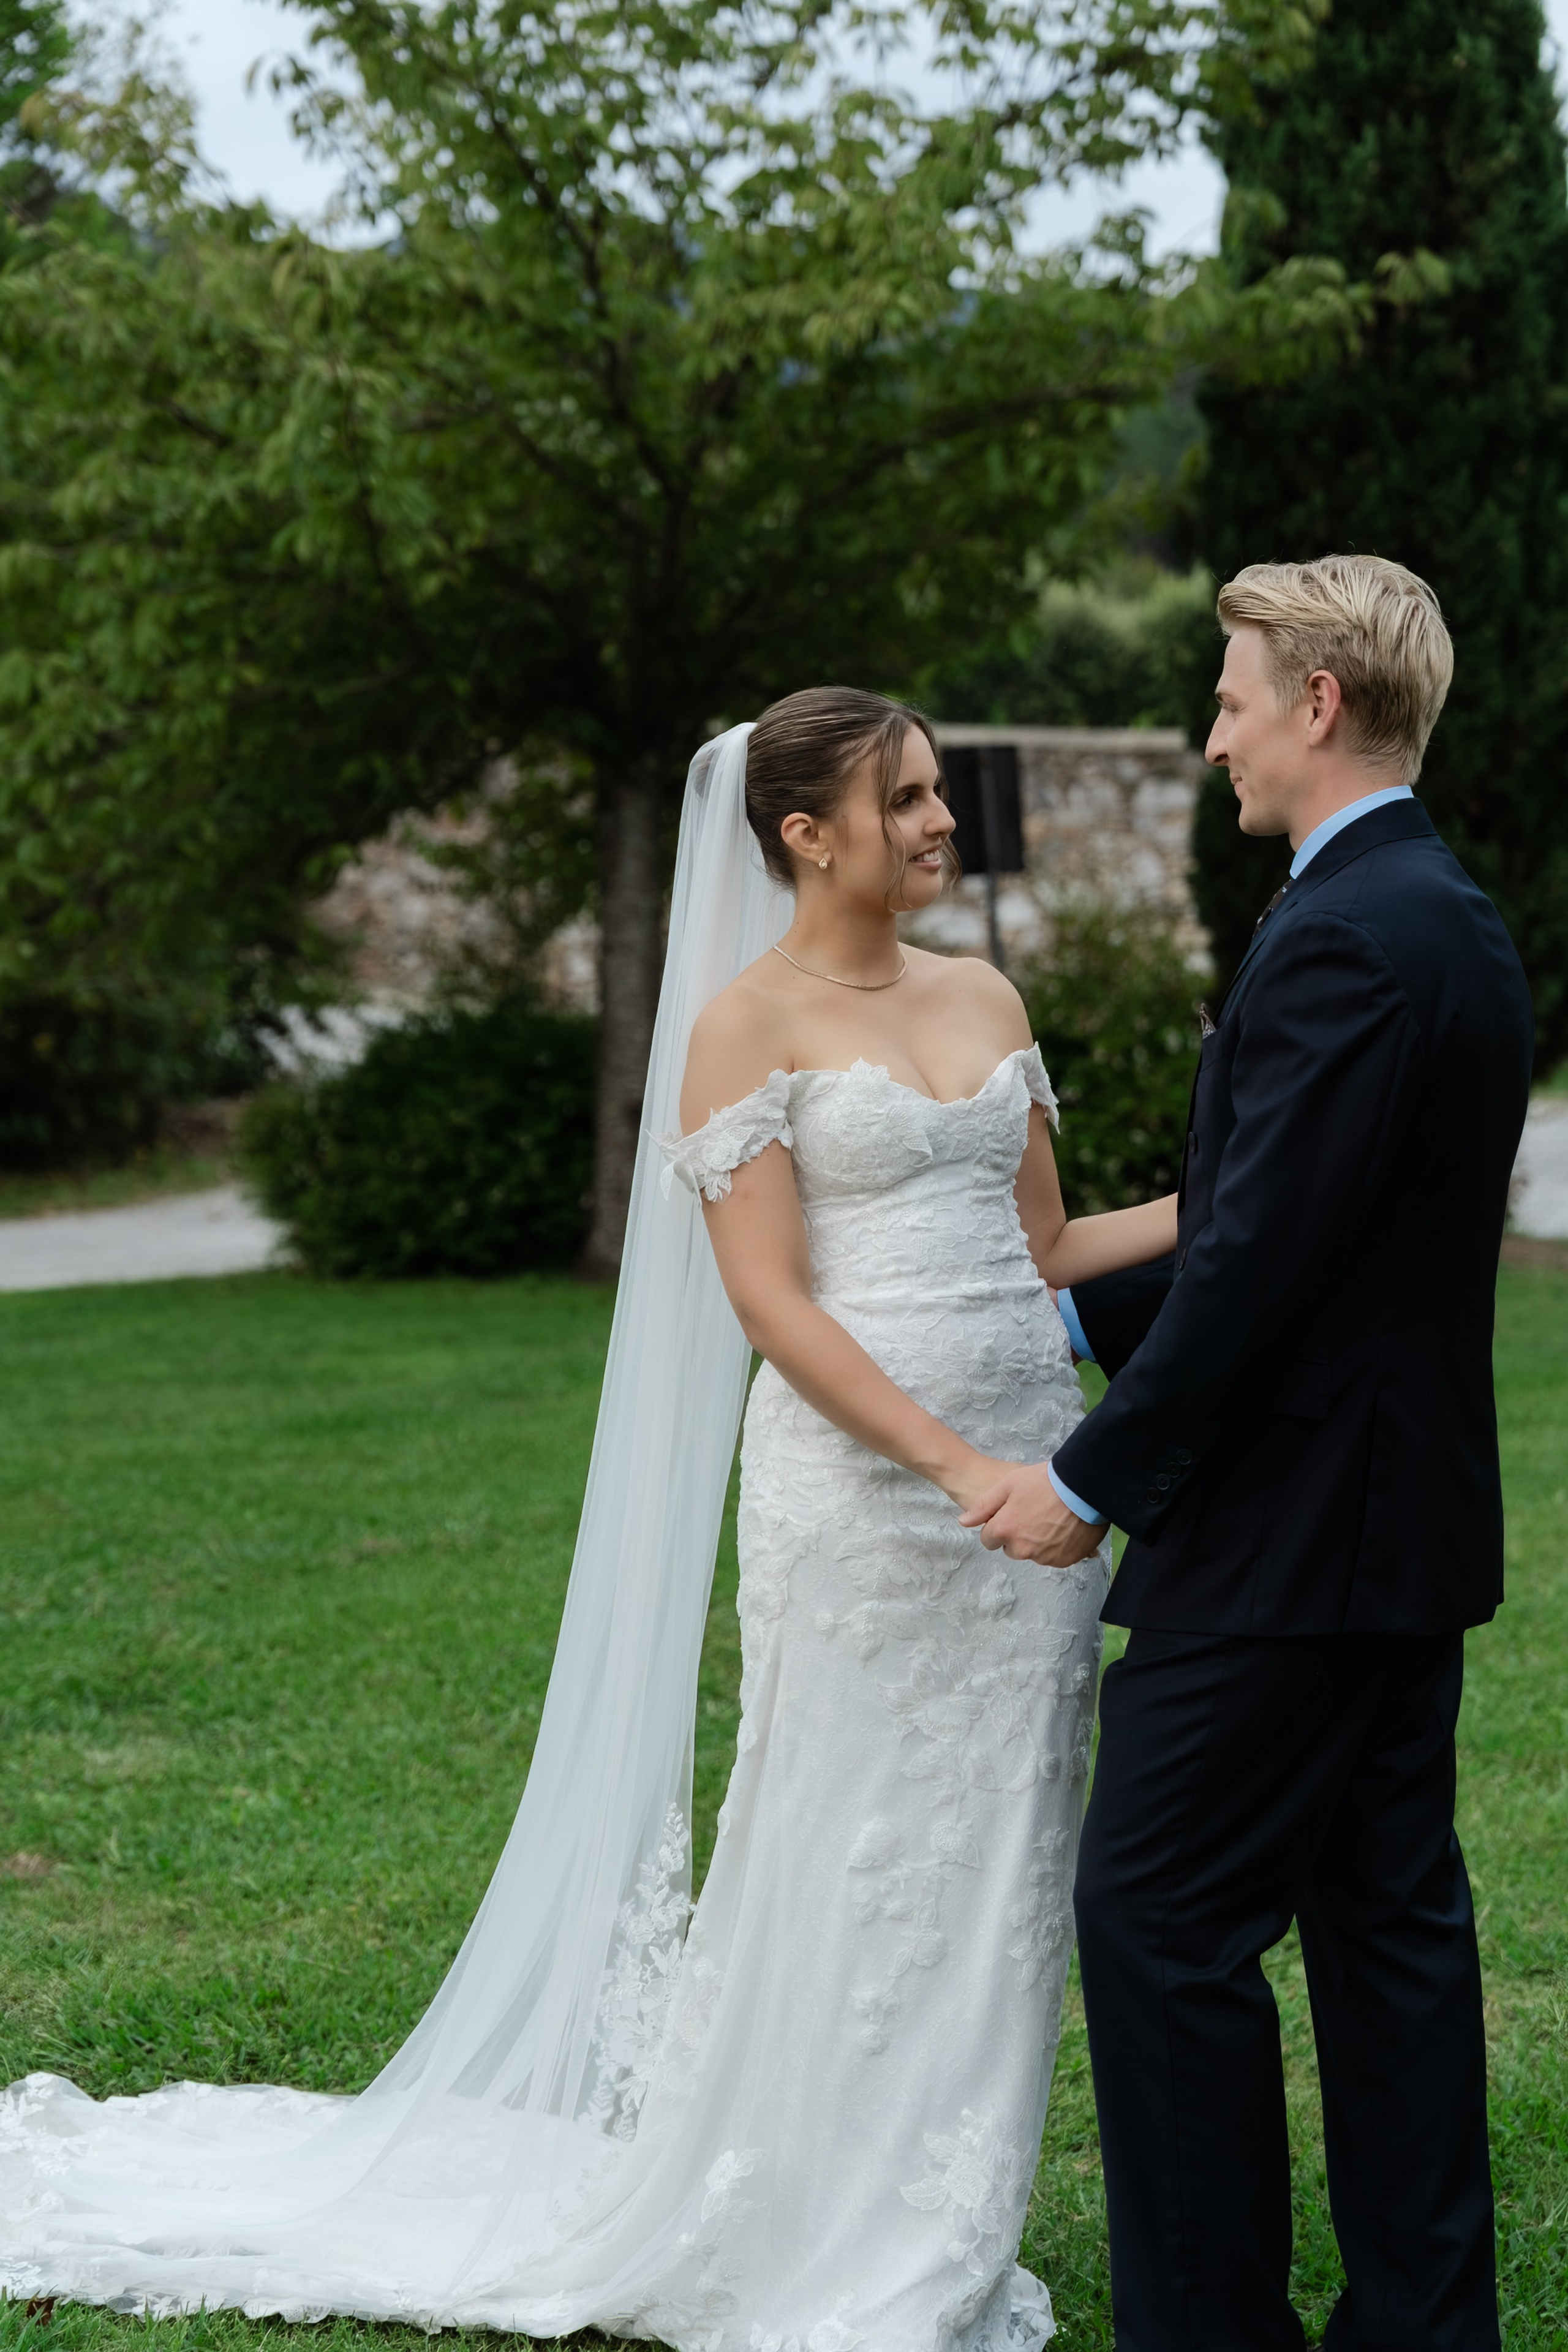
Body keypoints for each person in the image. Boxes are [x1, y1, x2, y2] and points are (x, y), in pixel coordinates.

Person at [1, 690, 1169, 2350]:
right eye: (903, 799)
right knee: (843, 1842)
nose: (939, 823)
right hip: (867, 1501)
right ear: (802, 834)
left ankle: (938, 2224)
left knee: (998, 1853)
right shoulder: (741, 1027)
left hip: (1033, 1495)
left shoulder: (987, 991)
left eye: (934, 795)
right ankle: (809, 2215)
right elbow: (772, 1305)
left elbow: (1049, 1249)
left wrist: (1244, 1193)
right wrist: (951, 1466)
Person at [965, 556, 1535, 2351]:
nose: (1208, 736)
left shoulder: (1352, 931)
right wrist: (1072, 1318)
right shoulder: (1440, 910)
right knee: (1389, 1938)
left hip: (1291, 1547)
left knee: (1154, 1927)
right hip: (1393, 1532)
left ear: (1314, 705)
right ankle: (1425, 2326)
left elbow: (1267, 1270)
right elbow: (1304, 1228)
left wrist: (1086, 1480)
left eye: (1225, 699)